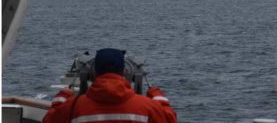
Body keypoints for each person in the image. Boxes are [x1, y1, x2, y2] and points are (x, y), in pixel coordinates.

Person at [43, 48, 177, 123]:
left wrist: (62, 97)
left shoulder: (74, 107)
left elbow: (49, 120)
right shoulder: (147, 107)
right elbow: (169, 120)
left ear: (94, 72)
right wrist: (158, 97)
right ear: (125, 72)